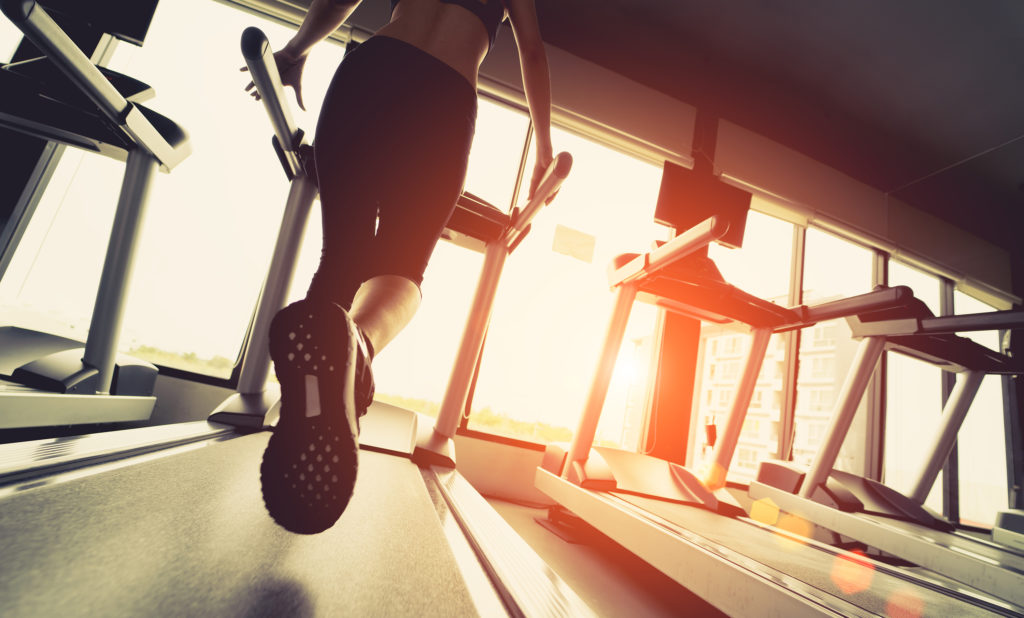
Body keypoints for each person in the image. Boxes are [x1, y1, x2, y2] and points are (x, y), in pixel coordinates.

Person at [244, 0, 554, 534]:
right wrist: (544, 146)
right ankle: (357, 348)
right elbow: (532, 50)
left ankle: (320, 393)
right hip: (444, 94)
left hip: (372, 69)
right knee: (403, 266)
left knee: (341, 256)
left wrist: (296, 50)